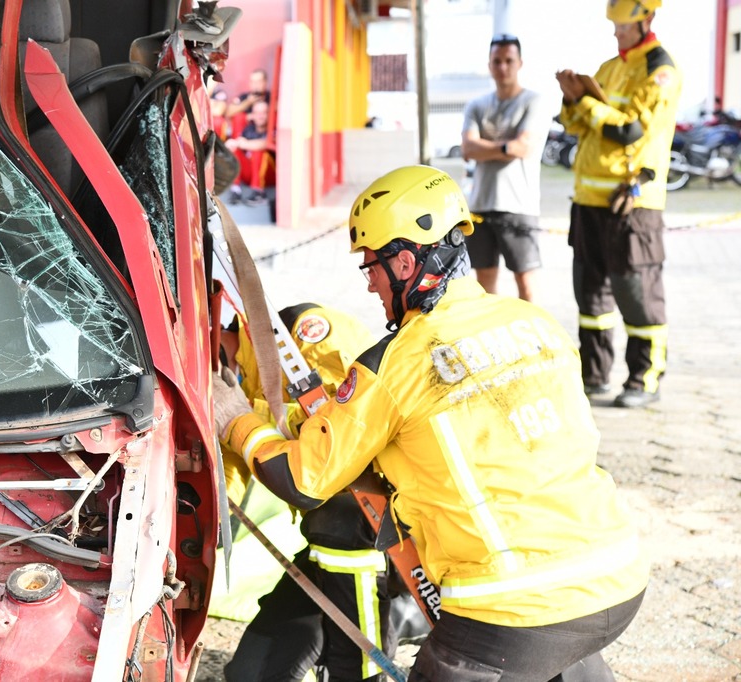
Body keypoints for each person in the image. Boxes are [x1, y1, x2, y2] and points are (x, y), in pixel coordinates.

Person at [212, 165, 649, 681]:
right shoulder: (536, 322)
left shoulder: (395, 362)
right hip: (618, 577)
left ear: (405, 262)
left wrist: (236, 420)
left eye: (371, 267)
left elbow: (306, 480)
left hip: (508, 606)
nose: (370, 282)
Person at [219, 303, 412, 682]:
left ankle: (401, 609)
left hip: (380, 539)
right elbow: (232, 469)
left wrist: (242, 415)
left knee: (355, 670)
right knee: (249, 675)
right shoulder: (233, 384)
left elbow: (343, 445)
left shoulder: (300, 336)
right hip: (329, 550)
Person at [555, 0, 680, 408]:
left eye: (623, 27)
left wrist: (589, 105)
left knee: (637, 291)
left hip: (632, 202)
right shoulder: (610, 67)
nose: (616, 33)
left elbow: (630, 131)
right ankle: (594, 376)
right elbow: (576, 126)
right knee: (590, 295)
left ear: (647, 19)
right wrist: (572, 98)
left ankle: (645, 378)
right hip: (588, 201)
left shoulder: (660, 71)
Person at [461, 34, 548, 302]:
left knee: (527, 286)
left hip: (519, 207)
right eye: (497, 61)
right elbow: (468, 150)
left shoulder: (534, 101)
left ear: (519, 63)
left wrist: (486, 146)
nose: (503, 67)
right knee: (485, 289)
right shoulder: (477, 105)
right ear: (489, 65)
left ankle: (533, 342)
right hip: (480, 206)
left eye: (509, 60)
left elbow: (523, 148)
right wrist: (505, 148)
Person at [225, 99, 275, 205]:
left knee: (259, 152)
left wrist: (242, 143)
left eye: (264, 113)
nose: (260, 116)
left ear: (269, 114)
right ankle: (236, 190)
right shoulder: (249, 129)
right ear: (252, 115)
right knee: (236, 151)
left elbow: (264, 144)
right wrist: (234, 144)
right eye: (257, 113)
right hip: (251, 174)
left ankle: (258, 192)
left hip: (271, 175)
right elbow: (238, 144)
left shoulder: (273, 128)